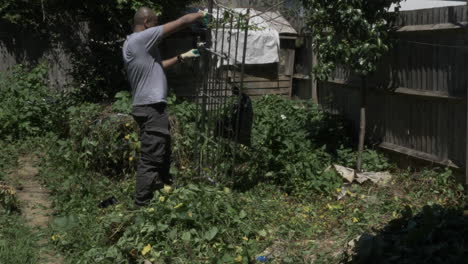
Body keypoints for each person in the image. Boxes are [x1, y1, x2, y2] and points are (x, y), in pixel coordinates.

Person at [122, 7, 206, 206]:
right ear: (147, 22)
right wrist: (203, 14)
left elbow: (156, 66)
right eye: (155, 22)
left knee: (161, 152)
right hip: (151, 107)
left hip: (148, 106)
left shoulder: (132, 43)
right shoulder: (141, 38)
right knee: (151, 159)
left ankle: (161, 194)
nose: (157, 25)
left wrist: (181, 57)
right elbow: (183, 21)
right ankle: (141, 206)